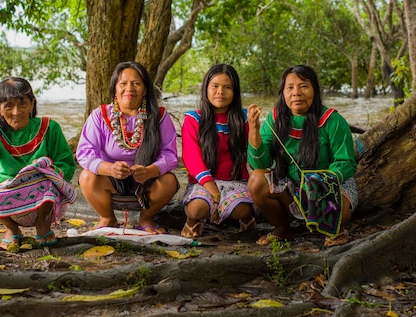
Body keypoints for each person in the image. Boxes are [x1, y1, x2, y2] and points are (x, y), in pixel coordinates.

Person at [247, 65, 358, 246]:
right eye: (290, 87)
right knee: (256, 180)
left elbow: (346, 162)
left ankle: (337, 231)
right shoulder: (274, 118)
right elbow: (260, 163)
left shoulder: (332, 120)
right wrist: (254, 131)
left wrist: (320, 182)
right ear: (283, 93)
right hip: (291, 184)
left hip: (329, 184)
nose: (296, 92)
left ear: (315, 90)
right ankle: (283, 229)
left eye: (303, 86)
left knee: (340, 213)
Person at [0, 77, 77, 251]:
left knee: (48, 180)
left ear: (32, 104)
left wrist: (46, 169)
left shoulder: (50, 127)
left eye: (22, 104)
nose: (16, 112)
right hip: (8, 196)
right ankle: (12, 229)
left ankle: (43, 228)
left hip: (43, 200)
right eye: (8, 106)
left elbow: (67, 164)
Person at [76, 61, 179, 234]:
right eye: (123, 83)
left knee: (169, 181)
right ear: (115, 88)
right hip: (110, 181)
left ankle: (146, 219)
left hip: (147, 180)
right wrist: (110, 168)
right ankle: (107, 218)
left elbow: (169, 155)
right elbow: (85, 154)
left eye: (136, 83)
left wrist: (150, 170)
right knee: (86, 177)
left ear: (145, 89)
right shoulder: (99, 116)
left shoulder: (160, 117)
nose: (129, 89)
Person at [180, 64, 256, 238]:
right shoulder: (194, 119)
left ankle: (246, 219)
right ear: (206, 88)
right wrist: (214, 192)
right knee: (197, 209)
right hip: (203, 182)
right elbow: (191, 158)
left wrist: (255, 128)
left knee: (241, 211)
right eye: (215, 86)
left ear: (235, 92)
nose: (220, 91)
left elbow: (255, 155)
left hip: (235, 181)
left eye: (227, 87)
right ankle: (194, 221)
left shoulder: (244, 118)